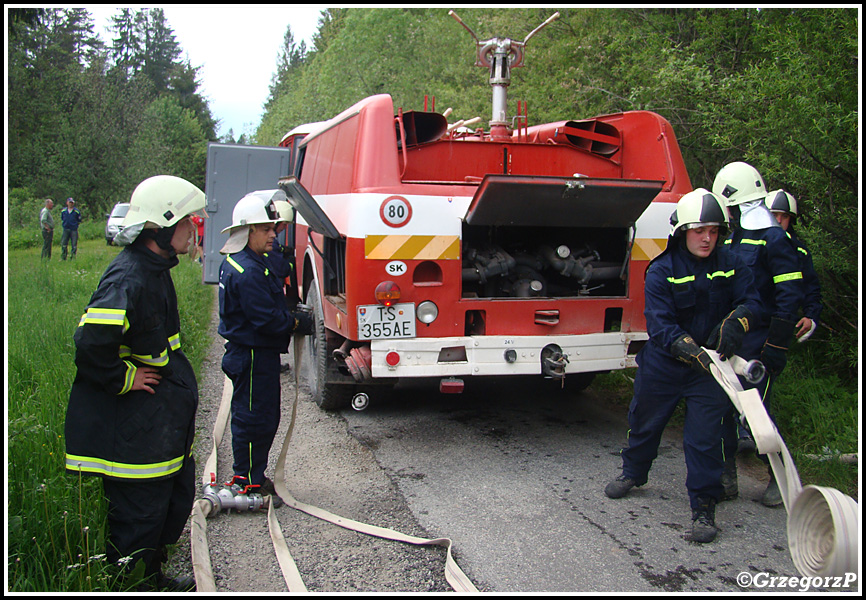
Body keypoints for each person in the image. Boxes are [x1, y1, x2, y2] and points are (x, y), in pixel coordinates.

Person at [64, 175, 206, 592]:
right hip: (133, 429)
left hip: (156, 423)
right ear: (162, 225)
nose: (193, 229)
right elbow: (91, 346)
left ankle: (153, 578)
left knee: (167, 504)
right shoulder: (129, 278)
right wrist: (125, 378)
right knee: (138, 517)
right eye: (187, 221)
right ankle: (133, 586)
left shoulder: (155, 269)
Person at [603, 188, 761, 544]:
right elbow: (660, 325)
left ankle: (704, 506)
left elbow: (752, 302)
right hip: (665, 363)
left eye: (714, 230)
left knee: (705, 439)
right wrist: (691, 351)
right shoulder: (661, 270)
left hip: (710, 371)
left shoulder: (733, 264)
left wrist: (737, 323)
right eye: (699, 230)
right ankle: (634, 473)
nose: (707, 238)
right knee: (644, 422)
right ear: (682, 232)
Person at [712, 162, 805, 507]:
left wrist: (777, 345)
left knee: (756, 413)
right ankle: (726, 477)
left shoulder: (775, 239)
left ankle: (780, 479)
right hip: (733, 336)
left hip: (760, 340)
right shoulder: (735, 235)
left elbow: (789, 296)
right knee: (722, 407)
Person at [217, 191, 313, 508]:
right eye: (266, 229)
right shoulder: (247, 272)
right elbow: (267, 320)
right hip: (253, 355)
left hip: (257, 354)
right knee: (253, 419)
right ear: (248, 230)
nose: (273, 234)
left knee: (263, 417)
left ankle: (253, 476)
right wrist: (297, 323)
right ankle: (245, 482)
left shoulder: (249, 263)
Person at [764, 190, 823, 342]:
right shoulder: (749, 245)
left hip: (781, 324)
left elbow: (811, 287)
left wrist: (811, 317)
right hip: (750, 323)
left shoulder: (800, 252)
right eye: (774, 214)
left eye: (785, 216)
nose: (778, 220)